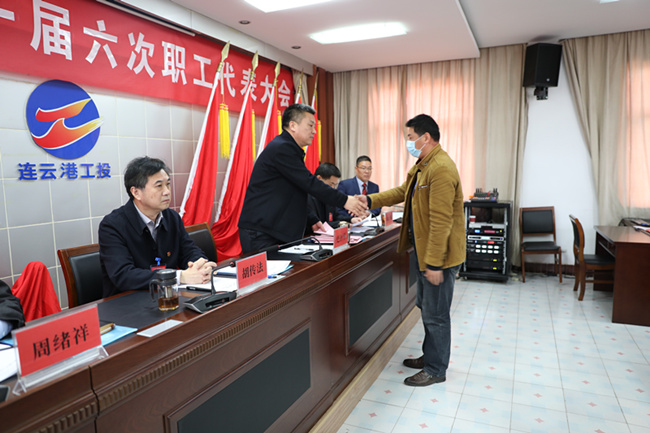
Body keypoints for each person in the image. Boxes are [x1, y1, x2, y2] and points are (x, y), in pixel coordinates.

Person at [359, 114, 465, 387]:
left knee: (436, 314)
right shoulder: (423, 166)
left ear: (425, 137)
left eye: (410, 137)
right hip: (425, 251)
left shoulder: (441, 168)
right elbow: (401, 192)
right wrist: (369, 200)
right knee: (427, 307)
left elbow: (441, 221)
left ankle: (436, 369)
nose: (408, 143)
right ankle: (430, 356)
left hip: (439, 257)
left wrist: (434, 264)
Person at [238, 103, 367, 253]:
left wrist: (312, 219)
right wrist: (344, 200)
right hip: (261, 231)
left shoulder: (289, 148)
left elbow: (296, 190)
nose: (314, 131)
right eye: (310, 125)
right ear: (293, 125)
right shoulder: (282, 148)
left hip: (272, 229)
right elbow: (310, 183)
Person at [99, 157, 216, 298]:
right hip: (128, 303)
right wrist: (179, 276)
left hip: (167, 298)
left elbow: (189, 250)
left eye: (168, 184)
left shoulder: (171, 217)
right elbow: (124, 275)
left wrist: (200, 266)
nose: (167, 191)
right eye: (159, 186)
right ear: (136, 192)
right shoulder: (112, 225)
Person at [306, 162, 365, 233]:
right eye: (331, 184)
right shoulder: (307, 197)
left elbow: (335, 216)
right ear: (319, 178)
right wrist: (340, 224)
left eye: (335, 185)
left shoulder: (330, 196)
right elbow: (318, 224)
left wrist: (351, 220)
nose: (333, 188)